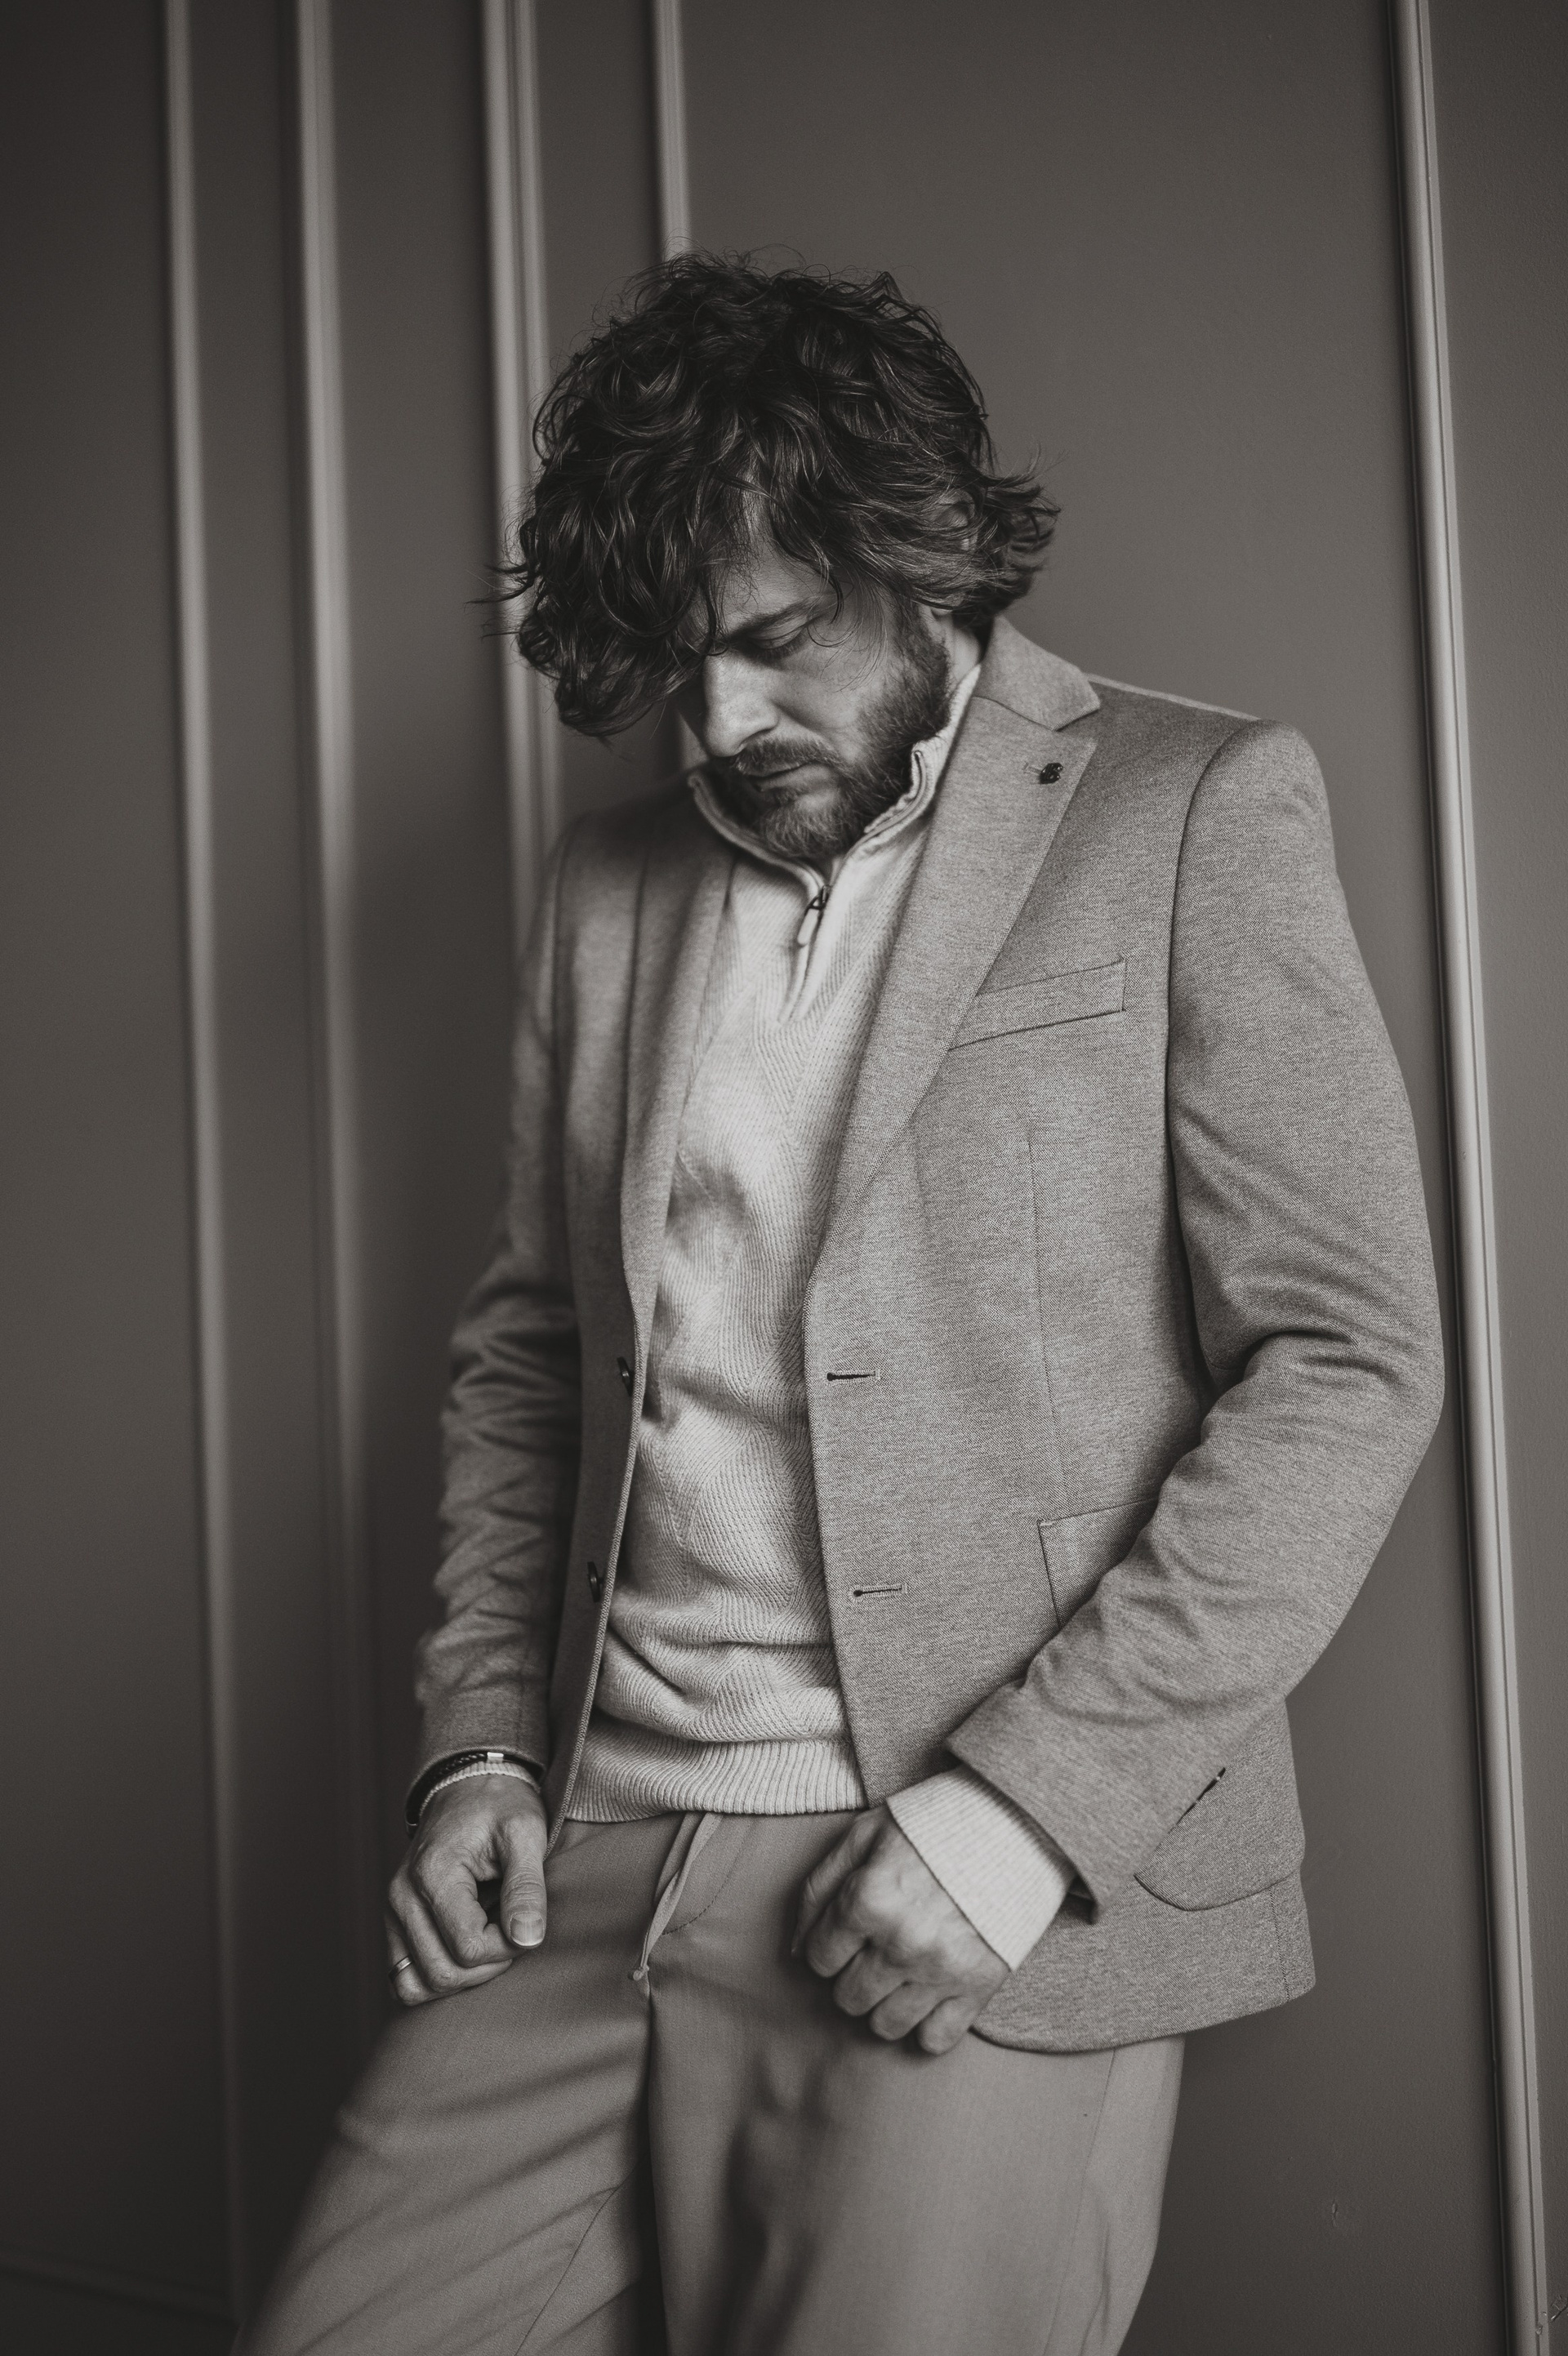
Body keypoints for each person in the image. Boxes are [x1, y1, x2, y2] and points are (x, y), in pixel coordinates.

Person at [243, 256, 1444, 2356]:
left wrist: (1024, 1814)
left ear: (923, 556)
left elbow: (1347, 1362)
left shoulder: (1193, 811)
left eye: (774, 639)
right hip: (582, 1843)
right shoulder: (605, 894)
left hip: (951, 1869)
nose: (717, 724)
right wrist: (477, 1753)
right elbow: (536, 1359)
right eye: (673, 665)